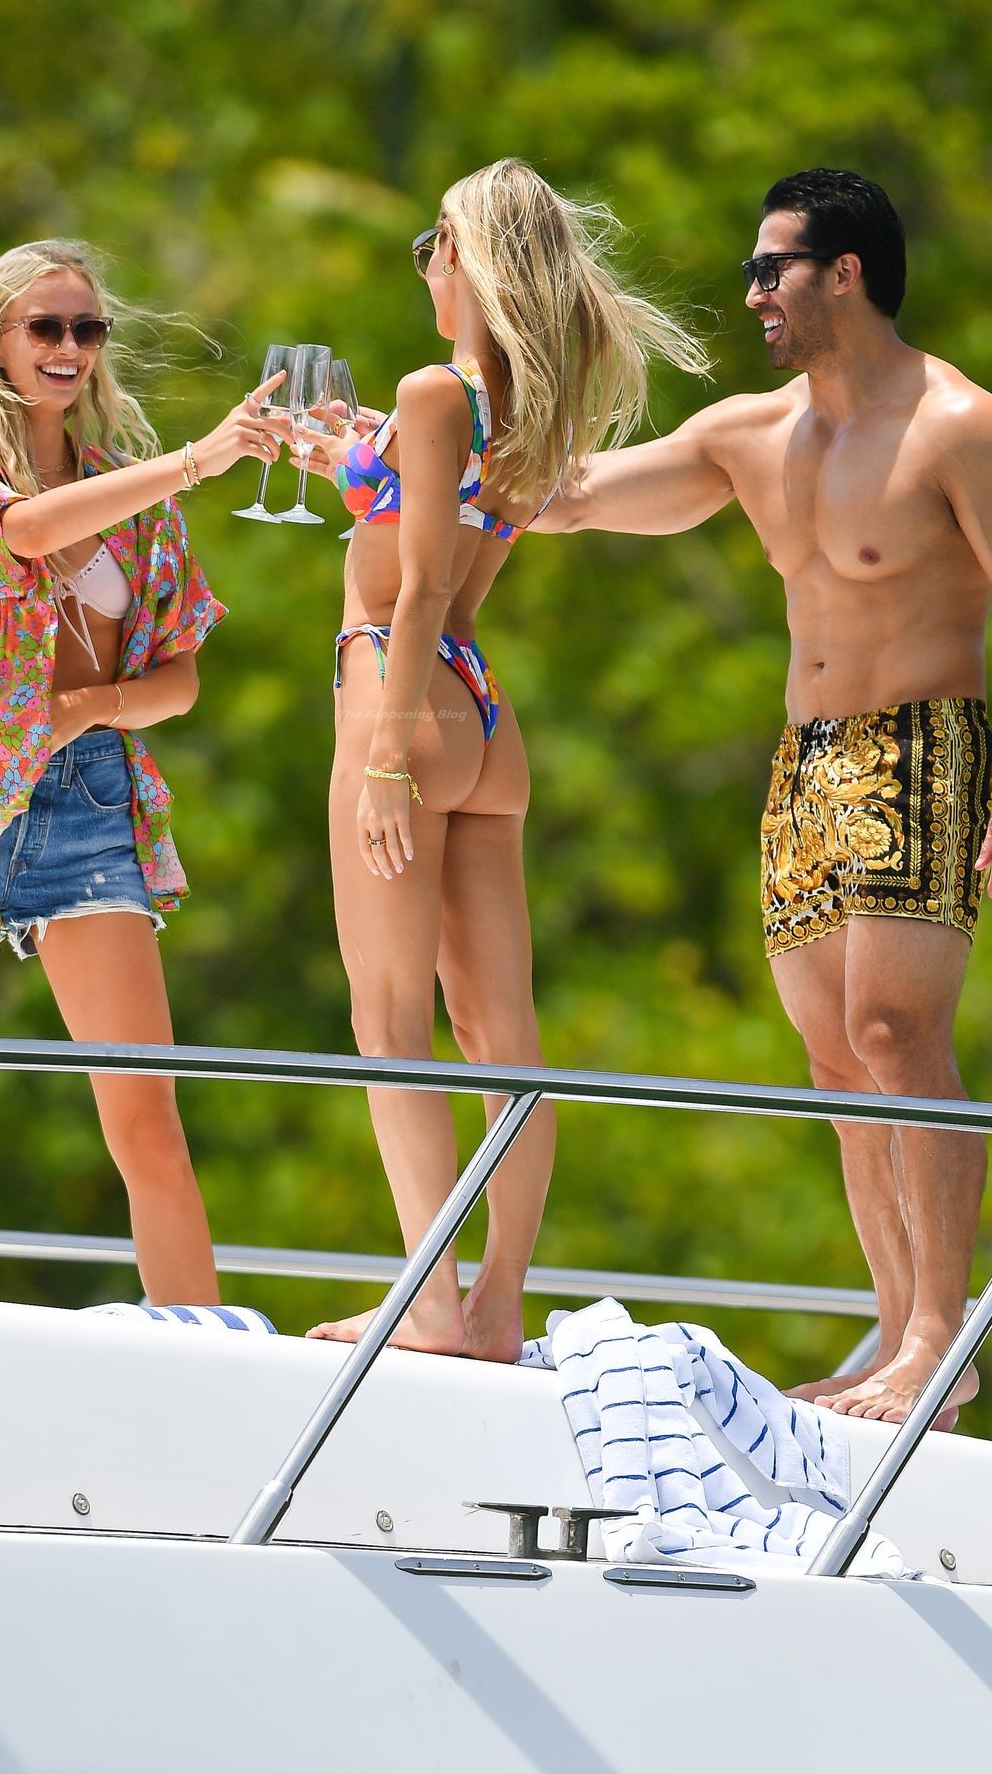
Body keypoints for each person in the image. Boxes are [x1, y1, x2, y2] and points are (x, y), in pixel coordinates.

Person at [536, 169, 992, 1423]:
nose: (751, 294)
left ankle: (941, 1338)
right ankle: (894, 1330)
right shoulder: (751, 433)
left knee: (897, 1035)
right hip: (804, 760)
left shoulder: (956, 422)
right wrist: (405, 452)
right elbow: (572, 498)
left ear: (845, 273)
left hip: (920, 741)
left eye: (769, 268)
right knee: (835, 1061)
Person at [297, 158, 710, 1360]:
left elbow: (420, 583)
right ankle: (494, 1306)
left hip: (400, 688)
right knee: (502, 1036)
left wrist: (383, 754)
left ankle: (429, 1306)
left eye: (432, 244)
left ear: (467, 258)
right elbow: (443, 525)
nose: (424, 267)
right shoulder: (528, 403)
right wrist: (354, 459)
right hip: (481, 715)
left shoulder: (432, 390)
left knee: (389, 1019)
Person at [0, 239, 283, 1303]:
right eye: (45, 327)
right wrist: (198, 459)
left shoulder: (136, 495)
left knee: (147, 1120)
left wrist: (86, 709)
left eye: (87, 328)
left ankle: (203, 1359)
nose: (69, 346)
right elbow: (25, 536)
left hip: (88, 809)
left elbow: (178, 681)